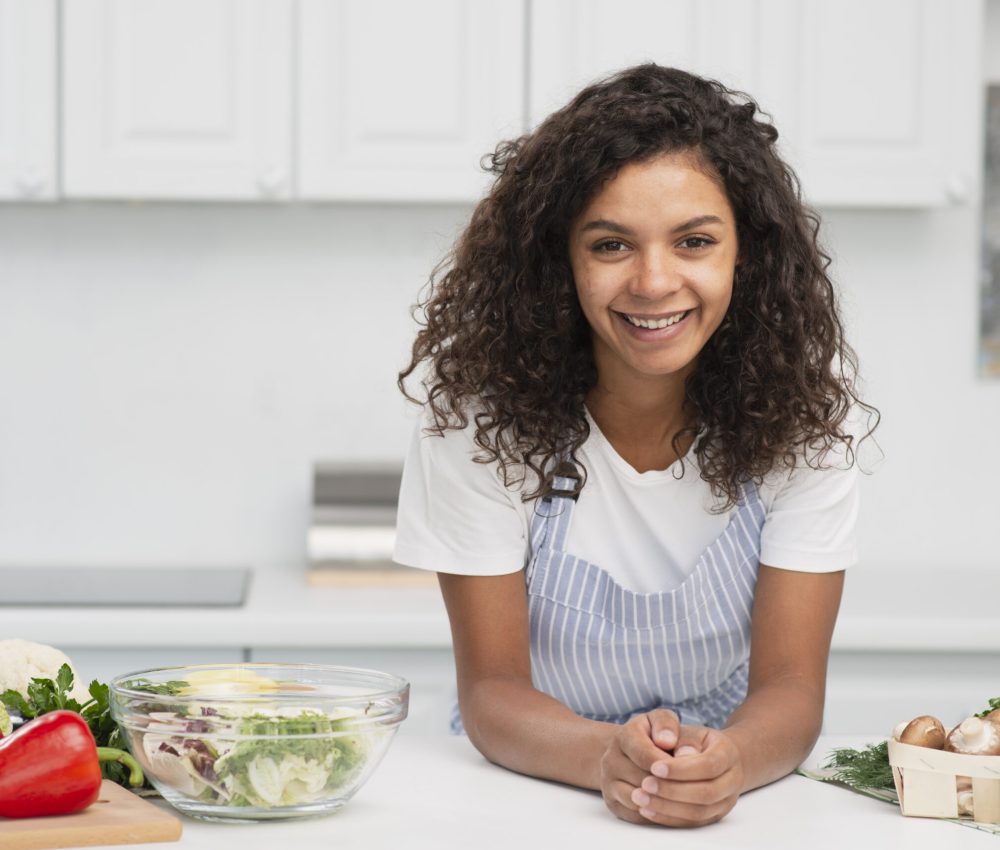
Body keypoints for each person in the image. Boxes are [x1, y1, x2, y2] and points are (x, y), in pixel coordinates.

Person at [393, 64, 878, 828]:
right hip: (525, 793)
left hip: (732, 790)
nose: (655, 283)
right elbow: (491, 694)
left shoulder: (807, 407)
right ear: (562, 260)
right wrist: (603, 759)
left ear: (743, 254)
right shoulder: (478, 415)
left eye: (694, 241)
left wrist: (729, 764)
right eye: (612, 244)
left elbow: (790, 689)